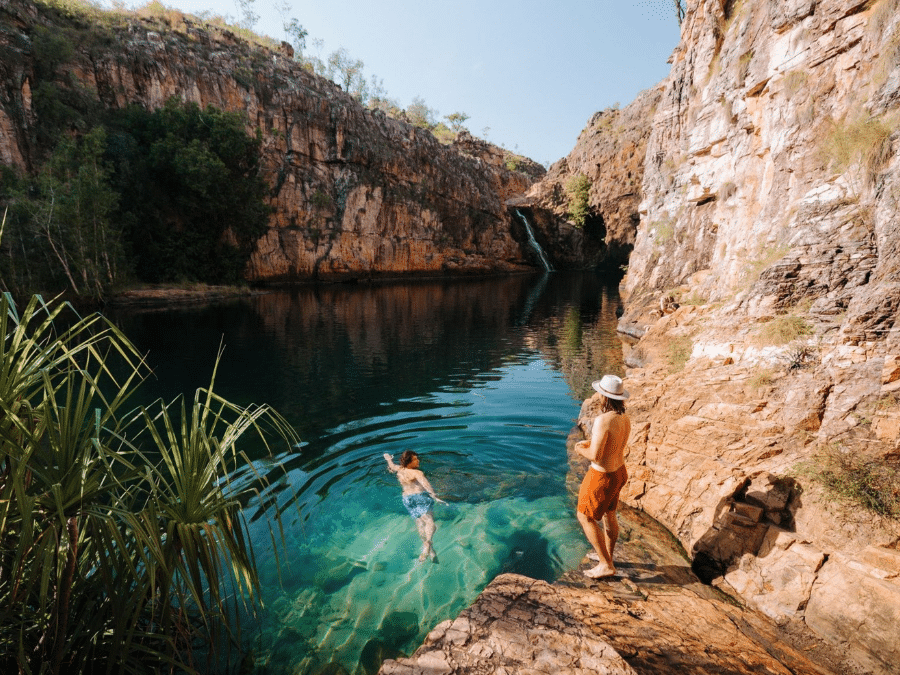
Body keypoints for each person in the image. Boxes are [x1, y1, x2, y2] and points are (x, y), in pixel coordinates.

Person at [574, 374, 631, 579]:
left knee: (585, 516)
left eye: (600, 393)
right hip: (619, 472)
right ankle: (608, 557)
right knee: (609, 514)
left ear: (604, 397)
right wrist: (589, 445)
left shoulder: (603, 420)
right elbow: (613, 447)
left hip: (602, 477)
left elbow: (596, 456)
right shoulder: (623, 417)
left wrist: (579, 448)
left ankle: (606, 564)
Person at [384, 450, 446, 561]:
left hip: (407, 499)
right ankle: (428, 543)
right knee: (430, 523)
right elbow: (427, 486)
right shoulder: (417, 473)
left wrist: (388, 458)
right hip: (420, 498)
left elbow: (391, 466)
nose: (418, 460)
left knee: (420, 523)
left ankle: (429, 549)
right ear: (409, 462)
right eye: (415, 459)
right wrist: (435, 497)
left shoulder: (399, 470)